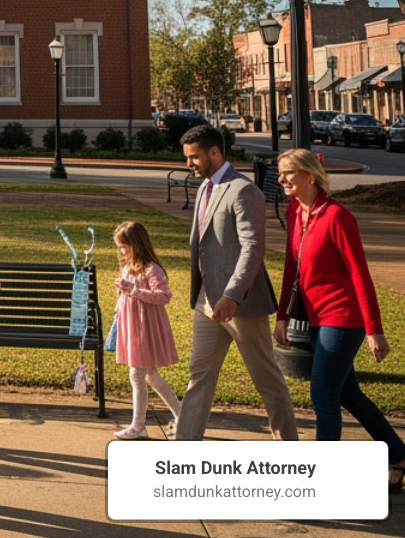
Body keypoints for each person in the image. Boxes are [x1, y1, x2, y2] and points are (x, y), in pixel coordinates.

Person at [274, 149, 405, 485]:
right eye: (280, 173)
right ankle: (399, 455)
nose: (282, 179)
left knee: (323, 396)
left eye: (289, 173)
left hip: (343, 317)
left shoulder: (337, 217)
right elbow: (293, 264)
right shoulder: (295, 211)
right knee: (347, 394)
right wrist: (282, 316)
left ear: (310, 175)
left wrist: (375, 330)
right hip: (316, 316)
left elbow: (360, 275)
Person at [175, 123, 297, 441]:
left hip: (240, 303)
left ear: (215, 152)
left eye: (194, 157)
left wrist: (232, 295)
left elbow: (253, 248)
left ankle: (292, 453)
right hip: (206, 301)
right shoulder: (204, 189)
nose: (189, 164)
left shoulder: (244, 191)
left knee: (266, 380)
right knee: (198, 377)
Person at [110, 221, 181, 440]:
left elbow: (164, 296)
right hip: (132, 325)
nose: (122, 251)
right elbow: (126, 295)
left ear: (137, 244)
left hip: (145, 327)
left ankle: (138, 425)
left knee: (137, 375)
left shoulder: (151, 269)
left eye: (125, 246)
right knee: (150, 375)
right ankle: (184, 416)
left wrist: (135, 290)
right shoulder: (128, 267)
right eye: (120, 247)